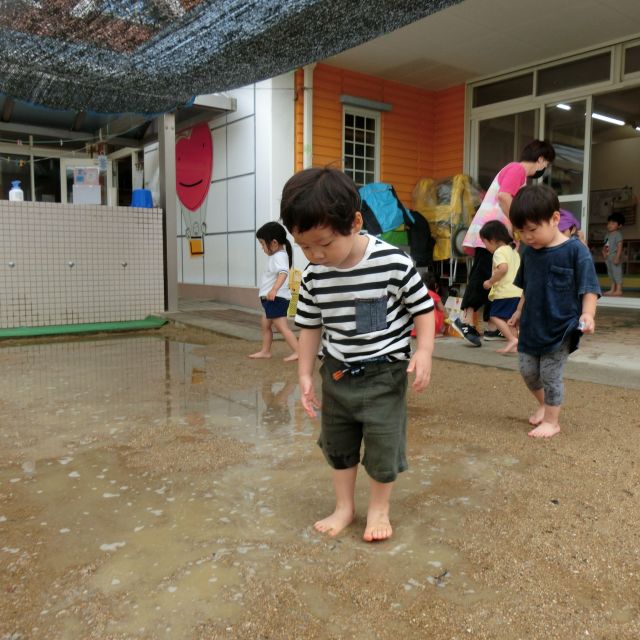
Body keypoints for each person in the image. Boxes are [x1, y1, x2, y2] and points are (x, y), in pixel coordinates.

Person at [280, 167, 435, 542]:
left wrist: (425, 351)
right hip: (336, 373)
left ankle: (379, 510)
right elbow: (310, 326)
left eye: (324, 243)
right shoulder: (315, 275)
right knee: (338, 443)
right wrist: (304, 373)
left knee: (383, 444)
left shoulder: (393, 262)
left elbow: (424, 309)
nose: (315, 255)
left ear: (355, 222)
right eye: (304, 246)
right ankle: (344, 507)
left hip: (385, 372)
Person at [507, 185, 600, 439]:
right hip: (532, 324)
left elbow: (589, 288)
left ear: (555, 219)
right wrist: (518, 311)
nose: (527, 237)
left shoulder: (575, 251)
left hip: (561, 326)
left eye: (533, 230)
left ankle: (552, 421)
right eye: (521, 231)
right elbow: (527, 287)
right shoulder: (529, 252)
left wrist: (588, 314)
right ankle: (545, 404)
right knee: (528, 371)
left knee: (550, 373)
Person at [452, 139, 556, 347]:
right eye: (547, 164)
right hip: (493, 232)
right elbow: (503, 197)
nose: (545, 169)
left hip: (499, 235)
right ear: (541, 159)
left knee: (499, 279)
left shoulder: (520, 176)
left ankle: (492, 328)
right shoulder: (517, 169)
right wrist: (518, 227)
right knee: (484, 275)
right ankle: (464, 320)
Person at [248, 221, 299, 362]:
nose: (262, 247)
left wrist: (274, 290)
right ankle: (265, 351)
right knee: (265, 324)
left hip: (276, 298)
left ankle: (299, 351)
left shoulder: (279, 256)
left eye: (263, 244)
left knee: (282, 327)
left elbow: (284, 273)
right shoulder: (276, 256)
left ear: (274, 243)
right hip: (271, 299)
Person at [479, 220, 522, 355]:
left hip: (505, 291)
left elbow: (503, 269)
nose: (485, 247)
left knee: (495, 316)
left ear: (492, 240)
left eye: (484, 242)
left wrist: (490, 282)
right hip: (518, 291)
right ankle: (516, 344)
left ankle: (511, 339)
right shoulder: (513, 251)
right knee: (512, 321)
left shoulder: (499, 252)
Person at [602, 212, 625, 296]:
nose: (610, 225)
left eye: (613, 223)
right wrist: (604, 253)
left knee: (617, 273)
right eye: (609, 223)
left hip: (615, 256)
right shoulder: (607, 235)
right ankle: (612, 289)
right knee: (610, 273)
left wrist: (617, 257)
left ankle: (619, 290)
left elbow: (620, 246)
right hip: (608, 257)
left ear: (619, 226)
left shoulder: (618, 234)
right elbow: (606, 245)